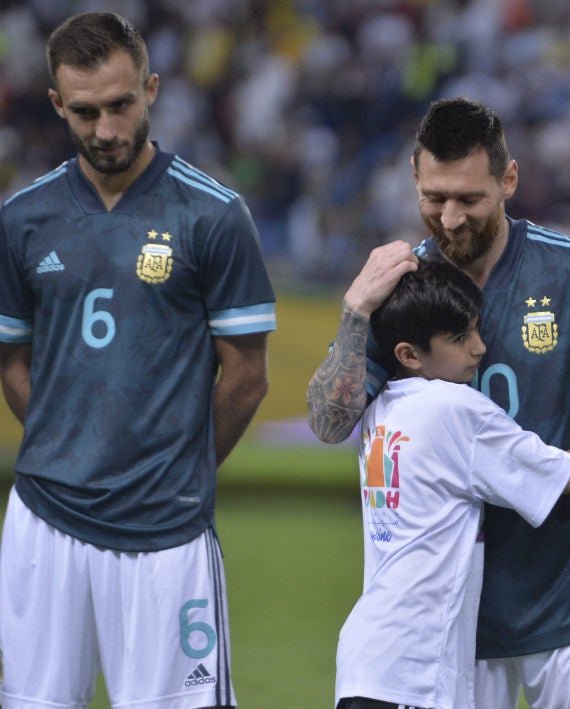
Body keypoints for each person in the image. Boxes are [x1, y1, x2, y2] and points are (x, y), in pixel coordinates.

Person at [307, 97, 570, 709]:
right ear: (415, 180)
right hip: (453, 627)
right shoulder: (401, 293)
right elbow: (329, 421)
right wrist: (353, 313)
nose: (448, 219)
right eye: (433, 198)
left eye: (469, 199)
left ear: (509, 181)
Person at [0, 12, 276, 709]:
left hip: (166, 535)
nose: (107, 130)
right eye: (86, 111)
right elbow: (11, 359)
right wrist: (67, 445)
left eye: (122, 104)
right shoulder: (22, 218)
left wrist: (174, 467)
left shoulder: (214, 216)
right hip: (43, 524)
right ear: (59, 104)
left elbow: (246, 375)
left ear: (151, 88)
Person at [335, 257, 570, 709]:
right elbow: (566, 476)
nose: (480, 348)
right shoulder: (455, 409)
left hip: (368, 659)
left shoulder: (379, 409)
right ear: (409, 354)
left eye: (476, 329)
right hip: (416, 668)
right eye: (460, 338)